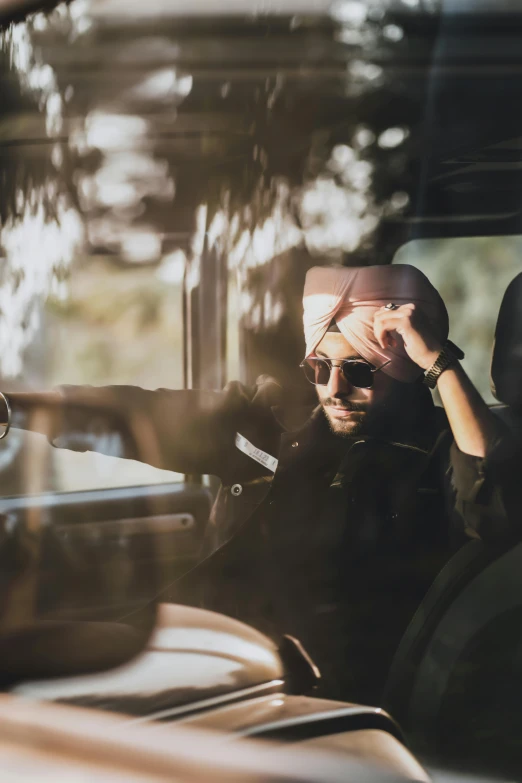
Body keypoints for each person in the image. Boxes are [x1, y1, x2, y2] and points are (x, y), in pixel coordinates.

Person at [0, 263, 500, 704]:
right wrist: (15, 407)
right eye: (318, 367)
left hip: (304, 689)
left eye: (358, 369)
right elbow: (141, 413)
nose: (334, 388)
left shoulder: (441, 452)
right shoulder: (271, 426)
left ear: (410, 367)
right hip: (196, 648)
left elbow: (494, 503)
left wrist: (441, 364)